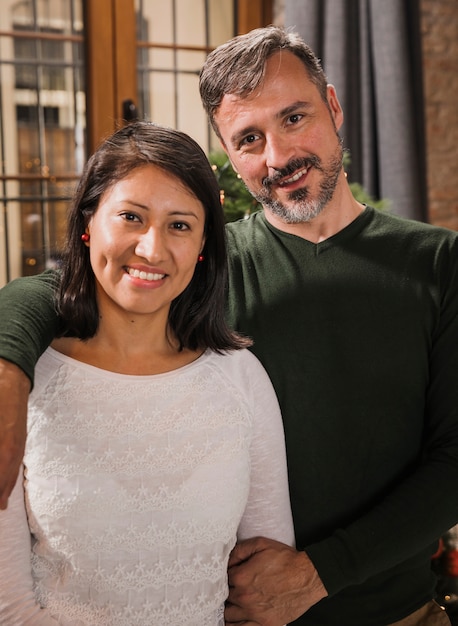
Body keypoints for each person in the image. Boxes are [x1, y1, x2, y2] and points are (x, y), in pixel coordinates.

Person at [0, 25, 457, 626]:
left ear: (335, 106)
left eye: (295, 118)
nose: (278, 156)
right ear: (227, 153)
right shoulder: (200, 265)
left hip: (398, 614)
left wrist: (319, 574)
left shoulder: (438, 264)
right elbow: (64, 289)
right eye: (249, 138)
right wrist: (9, 368)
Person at [0, 120, 294, 625]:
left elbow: (265, 587)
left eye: (179, 225)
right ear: (89, 221)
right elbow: (9, 607)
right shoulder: (28, 382)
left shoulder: (241, 379)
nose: (152, 250)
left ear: (203, 244)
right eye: (131, 217)